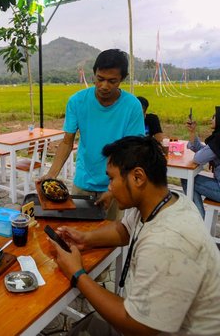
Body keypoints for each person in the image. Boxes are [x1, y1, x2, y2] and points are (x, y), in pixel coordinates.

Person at [48, 136, 220, 335]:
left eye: (112, 179)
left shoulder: (169, 242)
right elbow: (124, 230)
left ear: (138, 177)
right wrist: (85, 239)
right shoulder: (165, 200)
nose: (110, 187)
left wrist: (77, 274)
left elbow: (139, 327)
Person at [41, 49, 144, 219]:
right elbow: (67, 142)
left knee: (109, 236)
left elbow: (132, 151)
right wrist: (51, 174)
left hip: (116, 184)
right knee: (78, 231)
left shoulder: (132, 106)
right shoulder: (77, 101)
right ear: (94, 74)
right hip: (84, 180)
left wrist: (112, 189)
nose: (104, 86)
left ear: (122, 79)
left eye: (112, 81)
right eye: (100, 79)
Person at [181, 106, 220, 218]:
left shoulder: (218, 140)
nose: (211, 119)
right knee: (191, 180)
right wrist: (192, 132)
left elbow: (198, 158)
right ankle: (199, 219)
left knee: (187, 180)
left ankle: (199, 221)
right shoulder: (217, 140)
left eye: (214, 117)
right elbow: (202, 150)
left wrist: (201, 152)